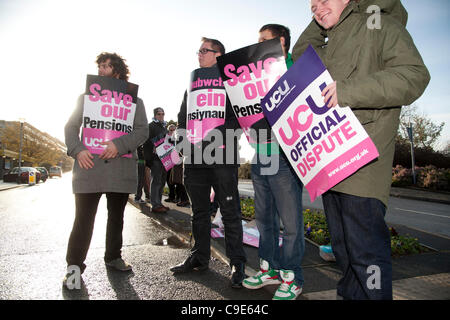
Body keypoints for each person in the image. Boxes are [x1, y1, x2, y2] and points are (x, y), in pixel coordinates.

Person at [292, 0, 430, 299]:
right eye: (311, 4)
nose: (315, 7)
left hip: (364, 161)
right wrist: (322, 17)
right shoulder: (329, 42)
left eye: (323, 0)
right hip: (331, 162)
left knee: (367, 258)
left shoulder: (380, 24)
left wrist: (349, 91)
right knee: (344, 255)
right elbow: (300, 56)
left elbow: (414, 76)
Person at [64, 52, 149, 286]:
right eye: (99, 66)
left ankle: (113, 257)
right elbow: (71, 127)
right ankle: (73, 267)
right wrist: (78, 149)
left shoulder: (135, 102)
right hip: (88, 166)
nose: (100, 70)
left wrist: (119, 145)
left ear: (118, 72)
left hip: (119, 169)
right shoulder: (85, 98)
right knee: (83, 220)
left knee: (117, 218)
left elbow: (142, 130)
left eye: (106, 66)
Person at [170, 37, 247, 288]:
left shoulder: (231, 82)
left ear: (218, 54)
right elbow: (182, 119)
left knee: (230, 212)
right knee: (199, 212)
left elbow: (240, 116)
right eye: (199, 50)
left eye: (205, 50)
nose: (199, 54)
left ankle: (237, 263)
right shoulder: (191, 86)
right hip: (194, 159)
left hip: (222, 156)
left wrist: (221, 138)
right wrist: (183, 147)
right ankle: (199, 257)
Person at [242, 24, 305, 300]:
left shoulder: (295, 67)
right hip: (261, 152)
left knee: (290, 222)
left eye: (263, 41)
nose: (258, 45)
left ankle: (293, 277)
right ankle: (269, 269)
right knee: (265, 219)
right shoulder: (255, 74)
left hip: (285, 154)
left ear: (281, 42)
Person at [143, 107, 170, 213]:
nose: (161, 116)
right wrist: (148, 159)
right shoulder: (151, 126)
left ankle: (159, 202)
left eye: (163, 114)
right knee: (156, 182)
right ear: (155, 115)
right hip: (155, 159)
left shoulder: (164, 127)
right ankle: (155, 204)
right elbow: (146, 143)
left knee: (162, 182)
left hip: (164, 158)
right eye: (159, 114)